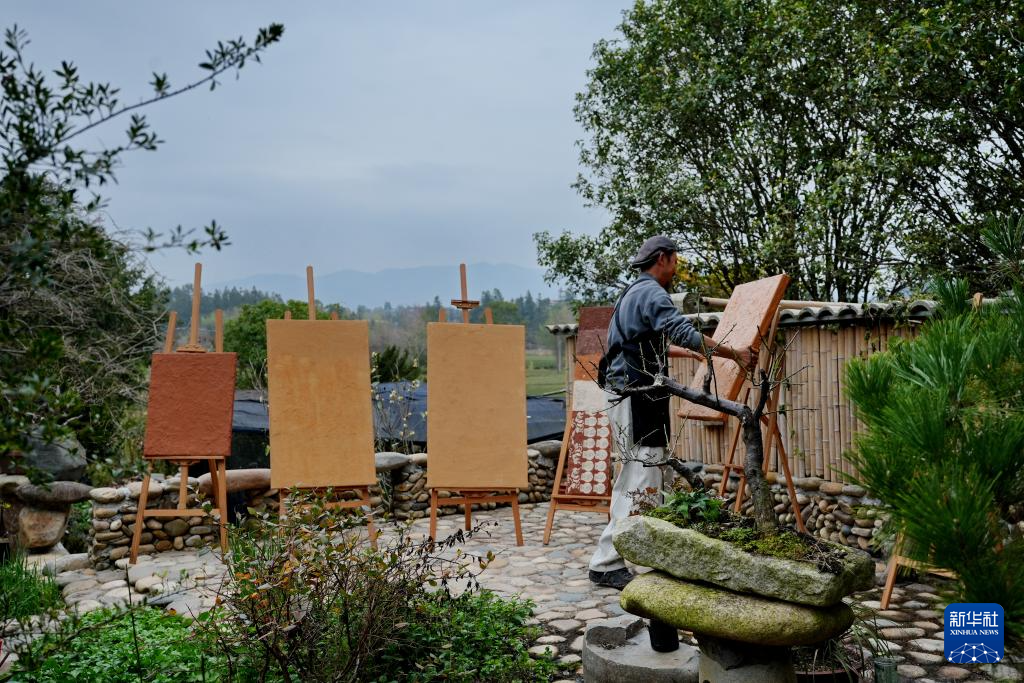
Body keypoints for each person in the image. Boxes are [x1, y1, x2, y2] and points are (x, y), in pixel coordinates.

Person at [588, 235, 757, 590]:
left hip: (626, 392)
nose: (677, 268)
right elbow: (681, 331)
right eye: (676, 260)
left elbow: (644, 341)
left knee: (634, 475)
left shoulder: (634, 292)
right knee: (643, 476)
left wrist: (689, 354)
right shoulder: (652, 293)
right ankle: (607, 562)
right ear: (663, 258)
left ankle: (615, 557)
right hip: (637, 395)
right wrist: (735, 353)